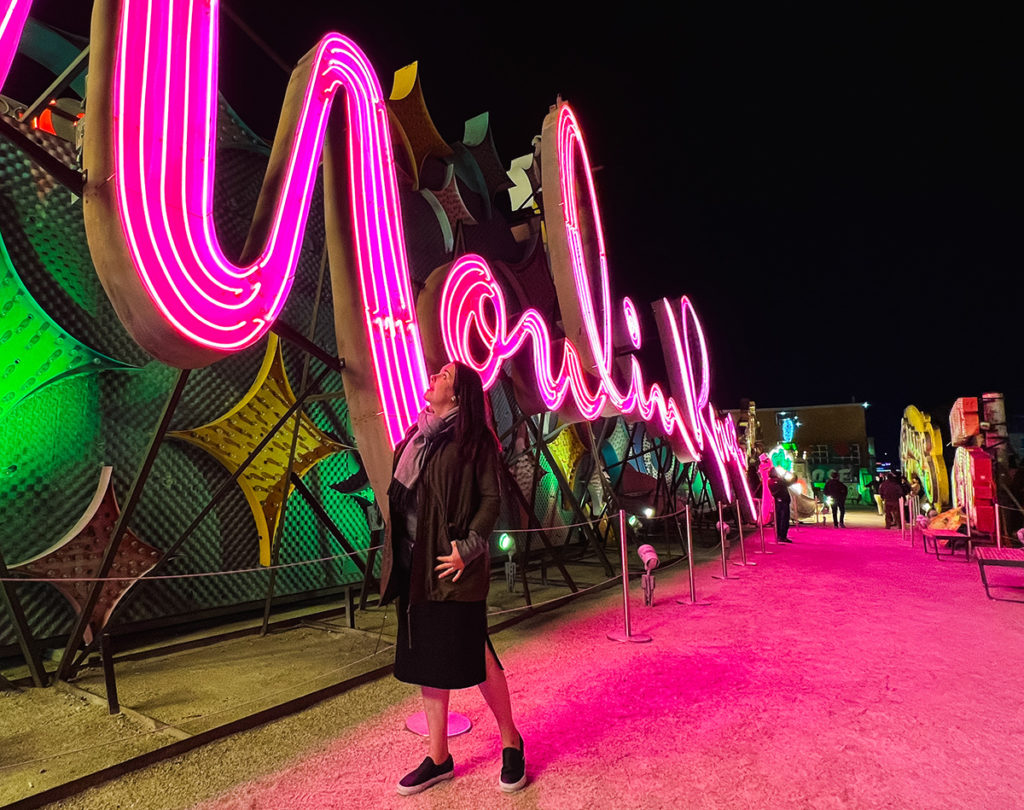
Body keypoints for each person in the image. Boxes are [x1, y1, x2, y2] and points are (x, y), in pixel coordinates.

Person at [380, 362, 525, 795]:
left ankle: (511, 740)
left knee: (476, 655)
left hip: (451, 565)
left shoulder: (474, 440)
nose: (433, 378)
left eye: (442, 375)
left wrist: (470, 546)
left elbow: (489, 499)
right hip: (415, 565)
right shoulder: (416, 436)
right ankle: (439, 757)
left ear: (459, 393)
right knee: (428, 659)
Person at [767, 470, 794, 542]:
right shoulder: (779, 481)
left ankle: (779, 535)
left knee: (778, 519)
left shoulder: (770, 481)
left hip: (777, 501)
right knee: (784, 519)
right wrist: (785, 475)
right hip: (783, 501)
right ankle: (782, 536)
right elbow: (790, 482)